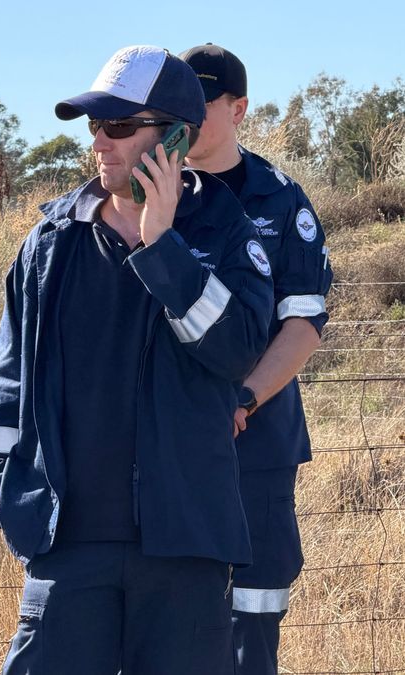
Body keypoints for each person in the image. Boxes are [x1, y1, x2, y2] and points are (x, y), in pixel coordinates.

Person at [0, 45, 275, 675]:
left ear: (174, 135)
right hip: (68, 548)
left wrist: (164, 248)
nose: (99, 144)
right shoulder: (49, 246)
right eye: (95, 127)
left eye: (117, 126)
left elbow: (236, 351)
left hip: (186, 550)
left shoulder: (226, 233)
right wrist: (10, 494)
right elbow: (10, 385)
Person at [178, 43, 333, 675]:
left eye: (203, 101)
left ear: (239, 109)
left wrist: (245, 399)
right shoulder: (152, 194)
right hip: (170, 447)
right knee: (176, 619)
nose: (187, 116)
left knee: (252, 618)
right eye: (178, 101)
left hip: (256, 442)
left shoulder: (278, 201)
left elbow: (302, 322)